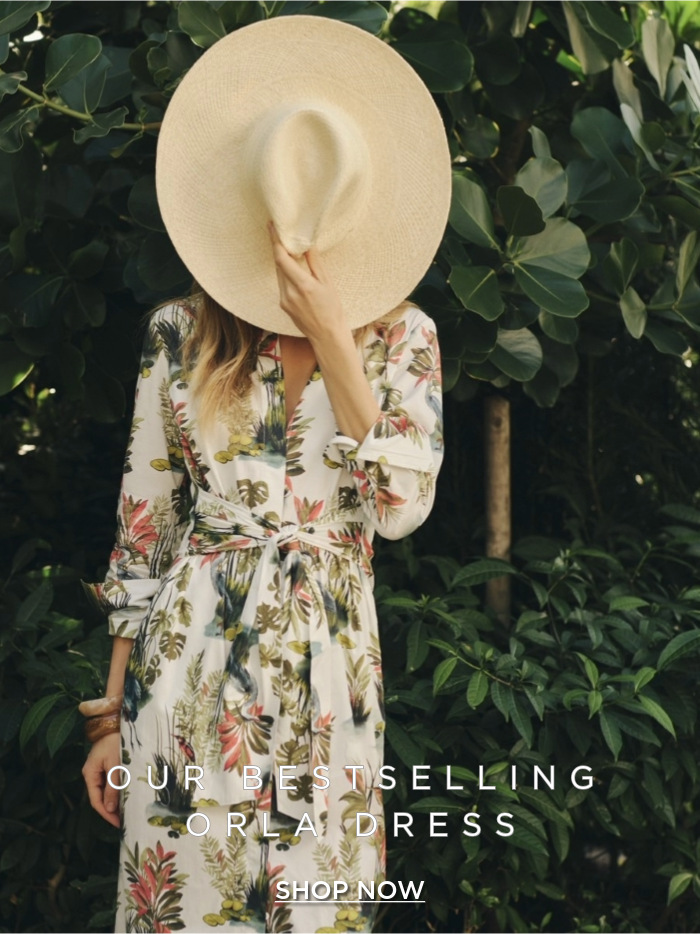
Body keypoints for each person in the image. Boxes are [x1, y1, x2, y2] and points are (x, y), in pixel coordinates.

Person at [80, 14, 451, 934]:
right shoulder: (179, 333)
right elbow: (145, 527)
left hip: (331, 680)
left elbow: (401, 507)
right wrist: (106, 714)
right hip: (188, 666)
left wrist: (333, 330)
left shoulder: (405, 338)